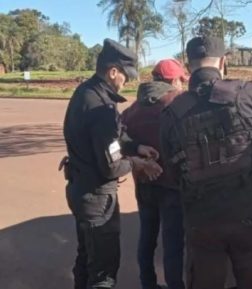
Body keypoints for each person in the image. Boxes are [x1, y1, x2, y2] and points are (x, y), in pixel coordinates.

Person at [160, 36, 252, 289]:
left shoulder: (172, 112)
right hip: (251, 212)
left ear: (188, 65)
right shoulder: (249, 92)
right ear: (224, 62)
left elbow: (172, 172)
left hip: (201, 219)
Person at [62, 38, 163, 289]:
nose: (125, 82)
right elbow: (112, 166)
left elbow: (116, 135)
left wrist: (136, 146)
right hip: (97, 198)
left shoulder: (86, 93)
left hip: (80, 189)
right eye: (125, 76)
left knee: (86, 257)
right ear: (113, 71)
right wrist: (138, 163)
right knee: (103, 271)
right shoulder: (101, 107)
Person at [121, 59, 188, 289]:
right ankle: (174, 285)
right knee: (173, 244)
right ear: (174, 80)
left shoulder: (132, 109)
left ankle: (147, 283)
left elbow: (120, 139)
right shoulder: (178, 104)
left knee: (147, 238)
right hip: (173, 186)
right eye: (181, 80)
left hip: (144, 184)